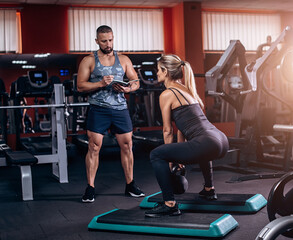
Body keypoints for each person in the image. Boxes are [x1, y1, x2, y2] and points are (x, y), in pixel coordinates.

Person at [145, 54, 229, 217]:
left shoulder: (167, 94)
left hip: (208, 141)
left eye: (158, 71)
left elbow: (167, 131)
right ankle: (209, 190)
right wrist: (177, 157)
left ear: (165, 72)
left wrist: (170, 162)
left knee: (156, 154)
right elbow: (182, 128)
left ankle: (169, 204)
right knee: (202, 144)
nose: (157, 74)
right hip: (221, 140)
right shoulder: (187, 88)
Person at [77, 25, 145, 203]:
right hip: (98, 109)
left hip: (120, 109)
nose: (108, 44)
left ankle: (130, 185)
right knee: (94, 146)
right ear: (97, 41)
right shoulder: (88, 61)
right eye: (104, 41)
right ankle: (90, 188)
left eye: (110, 40)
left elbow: (136, 81)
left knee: (127, 146)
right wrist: (100, 83)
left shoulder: (123, 59)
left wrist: (128, 88)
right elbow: (80, 86)